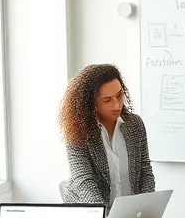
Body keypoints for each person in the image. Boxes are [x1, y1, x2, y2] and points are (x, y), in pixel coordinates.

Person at [58, 64, 154, 208]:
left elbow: (145, 170)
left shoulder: (134, 124)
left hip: (128, 216)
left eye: (119, 95)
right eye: (107, 100)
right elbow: (83, 179)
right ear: (90, 103)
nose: (117, 105)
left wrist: (145, 208)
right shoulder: (77, 130)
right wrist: (103, 217)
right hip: (89, 214)